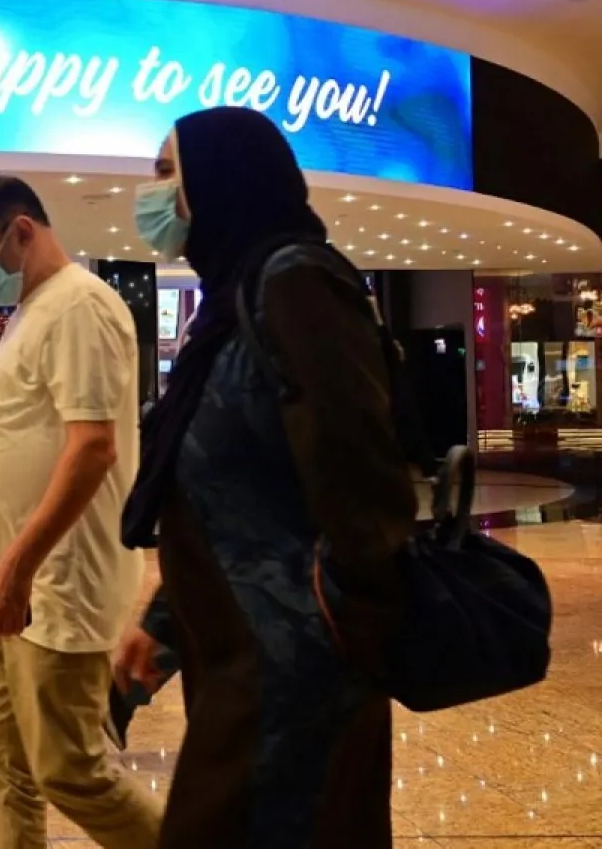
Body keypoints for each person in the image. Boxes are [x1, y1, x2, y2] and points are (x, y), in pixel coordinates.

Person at [113, 107, 418, 849]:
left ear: (223, 179)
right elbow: (236, 503)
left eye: (166, 172)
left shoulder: (296, 283)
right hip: (240, 668)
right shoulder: (231, 303)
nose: (151, 193)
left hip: (297, 680)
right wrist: (165, 622)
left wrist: (332, 638)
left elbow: (363, 485)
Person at [0, 174, 162, 849]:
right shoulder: (32, 312)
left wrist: (19, 569)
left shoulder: (79, 306)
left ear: (22, 230)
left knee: (71, 768)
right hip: (10, 586)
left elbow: (92, 447)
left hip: (56, 582)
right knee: (0, 758)